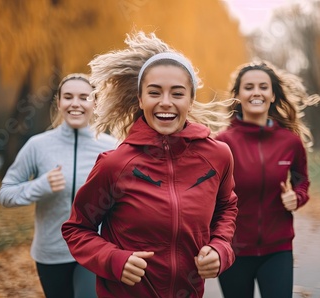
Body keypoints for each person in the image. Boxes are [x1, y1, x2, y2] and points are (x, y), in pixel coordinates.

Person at [61, 32, 239, 298]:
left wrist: (220, 249)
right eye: (154, 92)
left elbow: (226, 207)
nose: (165, 102)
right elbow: (77, 229)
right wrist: (114, 260)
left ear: (190, 101)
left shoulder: (218, 156)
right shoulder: (115, 164)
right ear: (141, 99)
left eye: (177, 93)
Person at [0, 73, 118, 298]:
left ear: (95, 102)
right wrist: (41, 185)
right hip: (51, 252)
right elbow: (5, 193)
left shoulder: (112, 147)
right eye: (68, 97)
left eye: (84, 97)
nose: (76, 103)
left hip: (94, 249)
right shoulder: (38, 145)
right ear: (59, 102)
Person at [215, 61, 320, 298]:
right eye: (249, 87)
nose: (256, 92)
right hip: (233, 250)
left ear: (273, 95)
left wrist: (297, 197)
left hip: (278, 249)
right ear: (238, 95)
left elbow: (301, 180)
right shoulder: (222, 143)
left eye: (263, 87)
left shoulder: (290, 142)